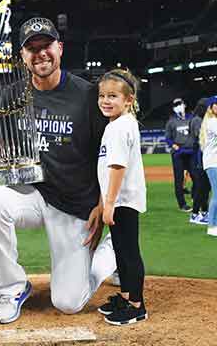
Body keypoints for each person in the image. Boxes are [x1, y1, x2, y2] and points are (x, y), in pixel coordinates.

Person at [0, 17, 116, 325]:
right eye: (31, 48)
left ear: (60, 48)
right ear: (23, 56)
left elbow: (107, 154)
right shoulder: (12, 94)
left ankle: (112, 252)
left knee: (68, 302)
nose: (40, 54)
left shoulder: (88, 95)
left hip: (75, 203)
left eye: (46, 46)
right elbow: (5, 147)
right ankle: (12, 289)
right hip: (33, 194)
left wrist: (104, 204)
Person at [96, 69, 147, 325]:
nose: (106, 100)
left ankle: (136, 305)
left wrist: (109, 203)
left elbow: (117, 167)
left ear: (128, 100)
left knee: (128, 252)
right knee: (120, 250)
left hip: (122, 201)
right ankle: (127, 296)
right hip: (121, 200)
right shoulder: (117, 124)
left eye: (113, 96)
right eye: (102, 95)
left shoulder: (120, 126)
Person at [165, 97, 197, 212]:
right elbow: (168, 138)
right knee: (179, 179)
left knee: (196, 177)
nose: (178, 106)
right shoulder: (171, 121)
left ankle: (195, 197)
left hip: (191, 153)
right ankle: (182, 204)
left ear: (184, 104)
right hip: (178, 154)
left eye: (180, 104)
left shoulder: (192, 118)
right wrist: (174, 146)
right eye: (176, 105)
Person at [189, 98, 210, 225]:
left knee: (205, 188)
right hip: (199, 158)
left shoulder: (201, 120)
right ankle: (195, 214)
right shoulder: (197, 120)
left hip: (204, 157)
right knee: (201, 188)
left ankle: (204, 212)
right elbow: (200, 136)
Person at [199, 95, 217, 237]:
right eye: (215, 105)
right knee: (216, 195)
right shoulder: (212, 122)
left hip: (213, 162)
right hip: (213, 162)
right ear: (210, 108)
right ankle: (211, 226)